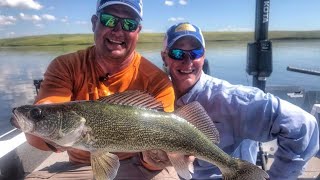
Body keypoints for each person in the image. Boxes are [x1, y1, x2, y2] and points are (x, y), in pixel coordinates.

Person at [24, 0, 179, 179]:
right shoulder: (66, 66)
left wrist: (153, 160)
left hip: (141, 164)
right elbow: (44, 119)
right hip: (80, 166)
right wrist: (50, 136)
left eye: (129, 24)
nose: (118, 30)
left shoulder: (158, 81)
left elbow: (166, 137)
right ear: (94, 23)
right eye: (109, 20)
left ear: (138, 31)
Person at [161, 22, 319, 179]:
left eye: (195, 53)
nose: (188, 61)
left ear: (204, 55)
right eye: (177, 53)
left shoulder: (231, 100)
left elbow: (303, 124)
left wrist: (278, 177)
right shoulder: (158, 97)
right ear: (164, 57)